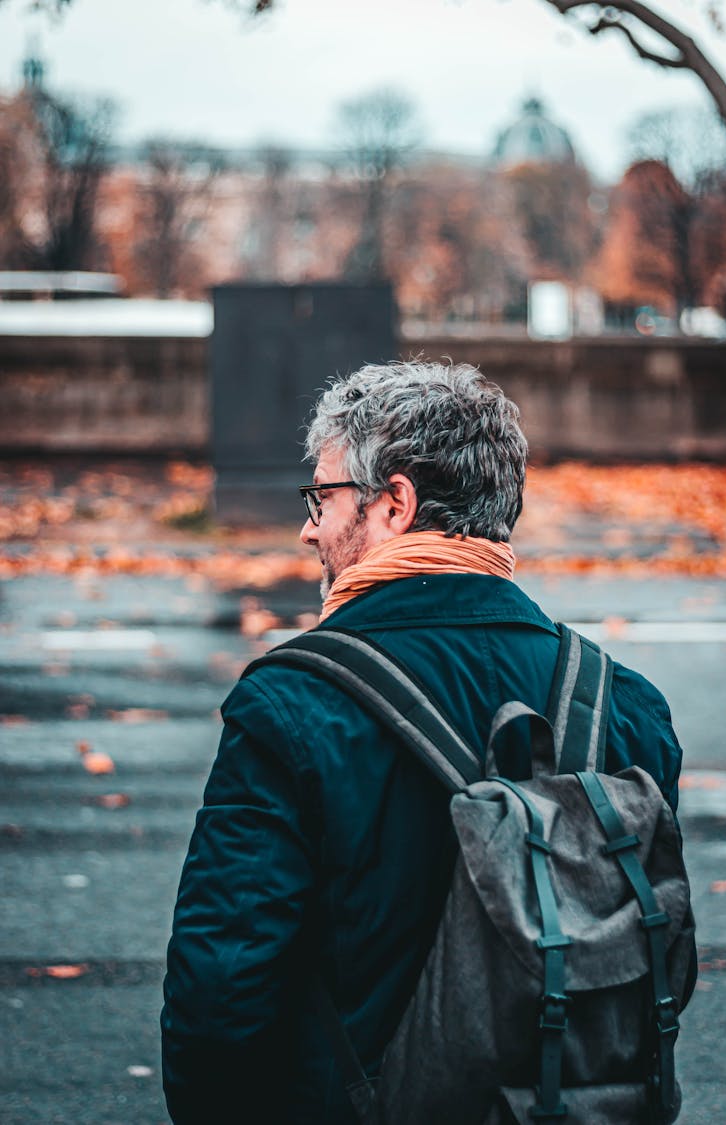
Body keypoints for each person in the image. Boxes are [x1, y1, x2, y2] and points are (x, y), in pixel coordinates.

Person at [161, 360, 685, 1124]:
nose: (309, 525)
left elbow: (222, 987)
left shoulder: (292, 704)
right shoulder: (625, 705)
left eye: (323, 496)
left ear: (395, 504)